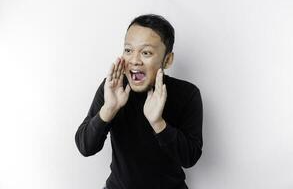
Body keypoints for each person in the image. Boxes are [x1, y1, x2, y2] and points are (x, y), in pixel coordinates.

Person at [75, 14, 203, 189]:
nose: (134, 60)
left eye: (146, 52)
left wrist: (158, 123)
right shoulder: (113, 87)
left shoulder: (187, 94)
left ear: (167, 60)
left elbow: (190, 158)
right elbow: (85, 147)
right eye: (128, 50)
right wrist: (109, 109)